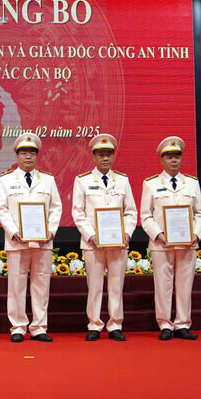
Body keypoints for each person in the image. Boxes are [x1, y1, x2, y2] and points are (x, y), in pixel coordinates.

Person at [0, 133, 62, 342]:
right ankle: (17, 327)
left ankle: (39, 327)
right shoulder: (6, 180)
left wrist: (50, 232)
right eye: (23, 152)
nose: (28, 157)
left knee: (41, 284)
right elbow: (2, 209)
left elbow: (56, 208)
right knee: (16, 285)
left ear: (37, 156)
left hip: (42, 241)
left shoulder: (48, 180)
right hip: (17, 241)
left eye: (32, 153)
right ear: (16, 155)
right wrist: (14, 231)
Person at [140, 137, 201, 340]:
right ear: (162, 160)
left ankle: (183, 323)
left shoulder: (192, 183)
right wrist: (157, 234)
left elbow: (200, 215)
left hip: (187, 243)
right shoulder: (151, 184)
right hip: (162, 243)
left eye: (177, 157)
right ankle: (165, 324)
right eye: (169, 157)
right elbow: (145, 215)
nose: (174, 161)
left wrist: (195, 234)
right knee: (162, 284)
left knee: (185, 284)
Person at [71, 134, 137, 342]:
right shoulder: (82, 181)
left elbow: (131, 212)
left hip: (118, 242)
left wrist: (126, 233)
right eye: (101, 155)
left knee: (116, 283)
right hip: (93, 243)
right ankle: (95, 324)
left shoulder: (123, 181)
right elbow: (78, 212)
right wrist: (90, 235)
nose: (105, 158)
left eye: (109, 154)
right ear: (94, 157)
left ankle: (115, 324)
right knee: (95, 285)